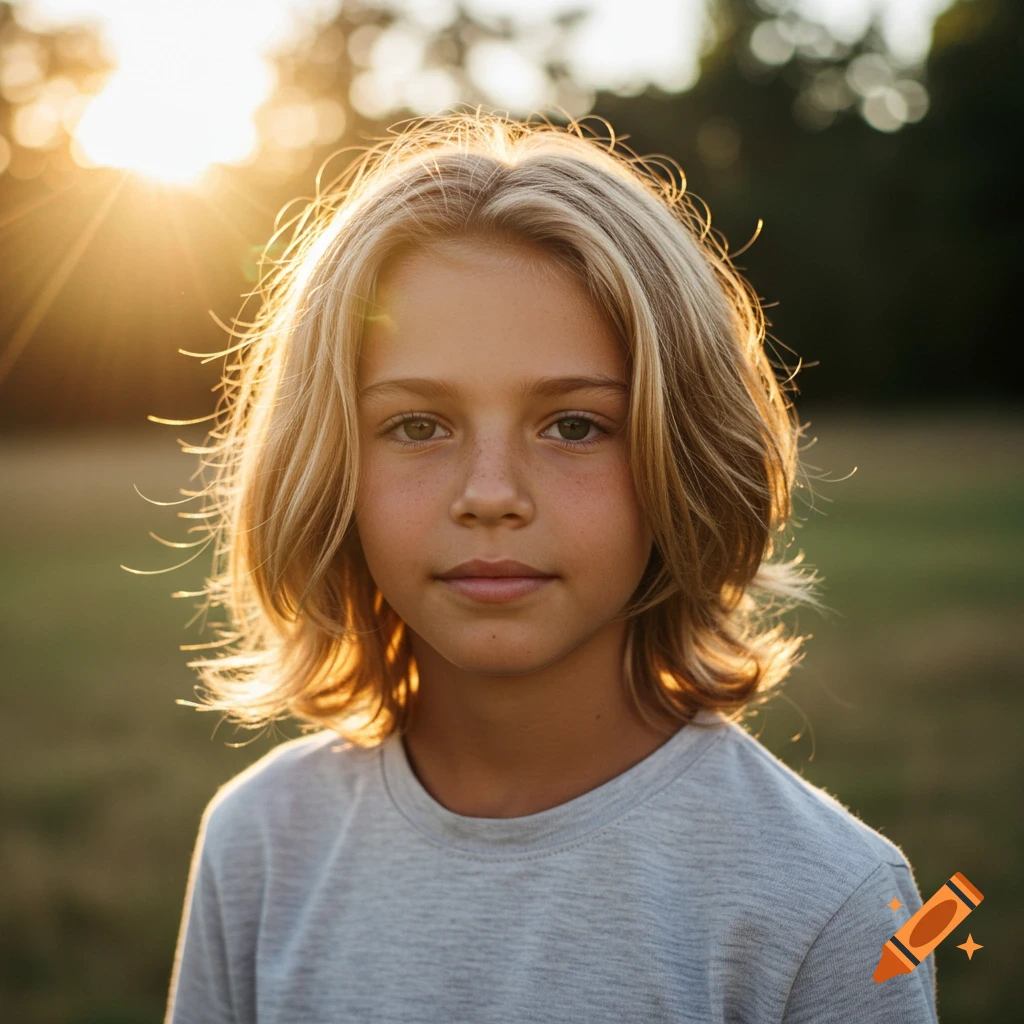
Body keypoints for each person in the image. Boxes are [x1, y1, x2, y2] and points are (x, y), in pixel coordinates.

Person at [164, 111, 939, 1023]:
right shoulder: (257, 842)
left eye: (575, 425)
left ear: (677, 458)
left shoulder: (833, 902)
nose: (490, 495)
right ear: (330, 464)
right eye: (418, 425)